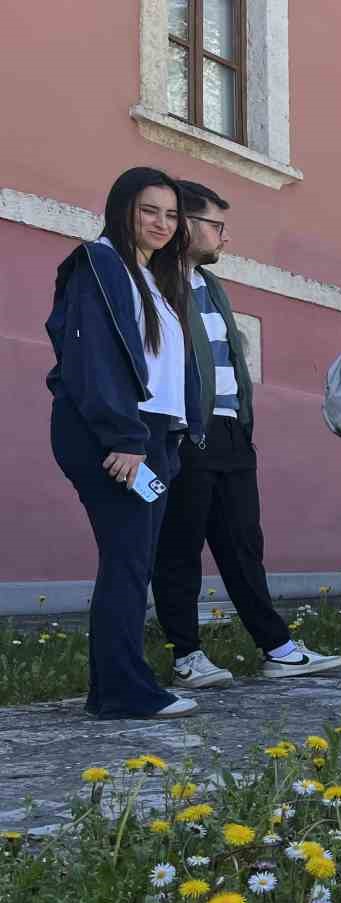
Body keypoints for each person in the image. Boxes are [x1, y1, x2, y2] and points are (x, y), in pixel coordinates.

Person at [148, 180, 341, 687]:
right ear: (187, 225)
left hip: (233, 434)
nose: (224, 238)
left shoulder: (211, 286)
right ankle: (186, 656)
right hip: (187, 434)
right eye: (216, 226)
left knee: (243, 543)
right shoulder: (155, 281)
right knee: (180, 545)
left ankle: (276, 647)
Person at [46, 167, 204, 718]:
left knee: (134, 559)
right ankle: (121, 689)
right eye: (148, 211)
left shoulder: (153, 278)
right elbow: (93, 360)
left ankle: (114, 685)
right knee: (127, 560)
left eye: (170, 213)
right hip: (120, 437)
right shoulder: (102, 264)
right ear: (123, 211)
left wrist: (174, 437)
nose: (161, 223)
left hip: (151, 436)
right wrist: (125, 437)